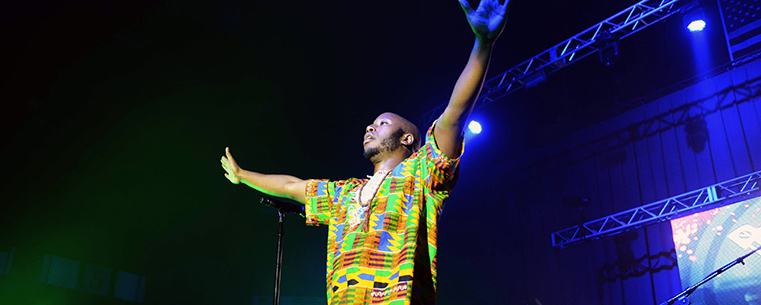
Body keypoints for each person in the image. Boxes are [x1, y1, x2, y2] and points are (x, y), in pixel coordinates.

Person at [220, 0, 511, 303]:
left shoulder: (422, 173)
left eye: (382, 123)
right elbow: (292, 186)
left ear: (408, 138)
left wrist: (483, 44)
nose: (370, 128)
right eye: (370, 124)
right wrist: (242, 175)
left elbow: (455, 113)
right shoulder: (343, 195)